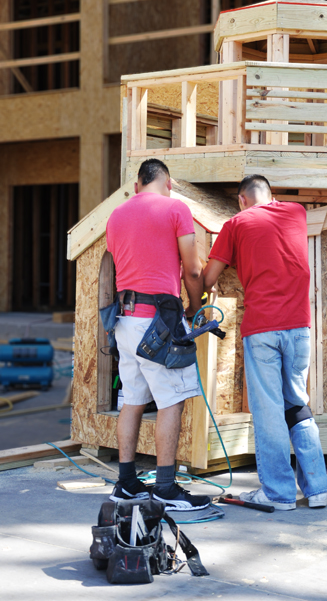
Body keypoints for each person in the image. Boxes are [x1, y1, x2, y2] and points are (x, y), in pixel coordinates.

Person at [203, 175, 327, 510]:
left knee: (269, 411)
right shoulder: (296, 212)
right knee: (297, 405)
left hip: (262, 330)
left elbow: (209, 276)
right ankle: (317, 489)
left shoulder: (236, 223)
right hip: (300, 328)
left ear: (241, 199)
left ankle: (278, 493)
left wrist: (206, 287)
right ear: (270, 195)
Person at [105, 158, 209, 511]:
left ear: (137, 186)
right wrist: (195, 307)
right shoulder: (175, 208)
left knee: (133, 398)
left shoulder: (116, 216)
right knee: (171, 400)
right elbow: (192, 270)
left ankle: (126, 483)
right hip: (160, 321)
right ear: (169, 182)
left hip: (125, 320)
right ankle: (165, 487)